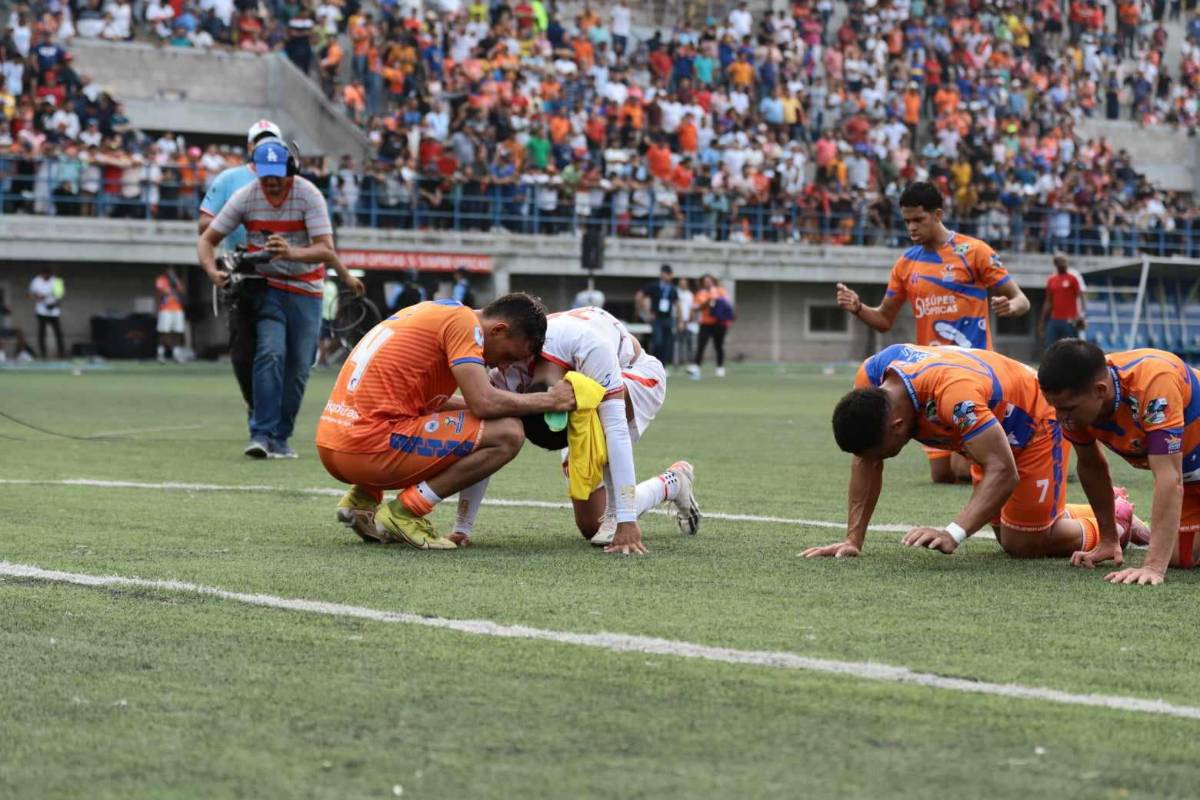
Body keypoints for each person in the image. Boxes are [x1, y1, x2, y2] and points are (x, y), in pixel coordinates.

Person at [803, 344, 1131, 561]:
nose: (876, 460)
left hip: (1033, 422)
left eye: (881, 454)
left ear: (897, 425)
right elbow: (866, 459)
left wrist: (953, 533)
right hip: (986, 434)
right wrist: (853, 540)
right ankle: (1096, 506)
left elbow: (1003, 471)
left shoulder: (954, 396)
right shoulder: (871, 378)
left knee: (1024, 544)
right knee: (1005, 533)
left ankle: (1117, 519)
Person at [316, 294, 576, 550]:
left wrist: (509, 403)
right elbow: (483, 403)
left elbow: (427, 400)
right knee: (508, 432)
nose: (502, 365)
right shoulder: (466, 325)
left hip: (332, 442)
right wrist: (550, 400)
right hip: (365, 450)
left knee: (433, 416)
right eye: (508, 355)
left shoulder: (434, 311)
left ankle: (362, 498)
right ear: (498, 329)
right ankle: (406, 511)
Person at [834, 181, 1031, 485]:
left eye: (918, 219)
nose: (911, 227)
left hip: (970, 374)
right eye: (907, 221)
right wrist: (859, 308)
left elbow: (1022, 299)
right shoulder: (906, 264)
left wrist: (1011, 306)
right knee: (943, 475)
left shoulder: (973, 252)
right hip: (928, 378)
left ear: (938, 214)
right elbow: (884, 319)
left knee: (966, 470)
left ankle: (1025, 461)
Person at [476, 306, 701, 555]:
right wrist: (462, 527)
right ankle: (673, 483)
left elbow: (616, 428)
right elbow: (484, 436)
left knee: (600, 410)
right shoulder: (509, 368)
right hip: (580, 399)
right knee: (592, 525)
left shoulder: (585, 343)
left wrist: (626, 520)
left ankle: (617, 511)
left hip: (634, 371)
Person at [197, 140, 360, 459]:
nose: (272, 182)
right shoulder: (246, 196)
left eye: (278, 176)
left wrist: (291, 252)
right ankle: (261, 433)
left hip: (306, 289)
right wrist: (212, 272)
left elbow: (325, 249)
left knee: (299, 365)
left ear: (291, 171)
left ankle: (281, 437)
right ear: (256, 172)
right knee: (269, 353)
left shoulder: (309, 195)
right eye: (265, 176)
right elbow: (207, 239)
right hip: (268, 287)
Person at [1038, 340, 1200, 585]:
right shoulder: (1077, 406)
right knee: (1180, 557)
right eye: (1055, 407)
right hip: (1191, 478)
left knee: (1165, 556)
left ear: (1100, 390)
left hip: (1183, 474)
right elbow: (1092, 466)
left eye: (1067, 408)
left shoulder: (1154, 383)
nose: (1061, 418)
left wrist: (1153, 567)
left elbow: (1170, 477)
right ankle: (1125, 521)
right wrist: (1108, 539)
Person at [198, 120, 289, 414]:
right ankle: (255, 405)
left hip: (280, 272)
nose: (265, 144)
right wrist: (235, 216)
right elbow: (203, 223)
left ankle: (270, 413)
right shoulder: (229, 179)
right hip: (241, 271)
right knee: (242, 353)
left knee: (275, 351)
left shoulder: (292, 181)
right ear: (250, 146)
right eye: (259, 140)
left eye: (271, 139)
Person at [688, 274, 733, 379]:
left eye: (709, 281)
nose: (707, 283)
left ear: (713, 281)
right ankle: (696, 366)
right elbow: (696, 307)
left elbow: (727, 302)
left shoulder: (720, 291)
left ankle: (720, 367)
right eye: (705, 281)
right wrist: (708, 301)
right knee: (701, 345)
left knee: (719, 345)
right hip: (705, 323)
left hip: (719, 322)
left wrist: (717, 300)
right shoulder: (700, 293)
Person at [636, 264, 678, 366]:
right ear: (662, 274)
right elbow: (639, 296)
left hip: (668, 318)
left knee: (666, 343)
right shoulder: (654, 286)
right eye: (667, 274)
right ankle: (654, 364)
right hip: (657, 318)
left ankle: (663, 365)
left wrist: (679, 320)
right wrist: (646, 313)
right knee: (658, 341)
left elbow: (677, 303)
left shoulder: (672, 288)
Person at [1040, 253, 1085, 347]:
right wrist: (1042, 321)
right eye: (1061, 261)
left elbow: (1080, 297)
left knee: (1071, 348)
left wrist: (1081, 315)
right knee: (1051, 346)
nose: (1064, 264)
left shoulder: (1073, 278)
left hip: (1070, 320)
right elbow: (1048, 302)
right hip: (1054, 320)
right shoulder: (1051, 280)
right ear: (1056, 264)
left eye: (1065, 261)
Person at [28, 266, 64, 359]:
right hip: (41, 311)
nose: (46, 277)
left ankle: (61, 353)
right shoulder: (36, 281)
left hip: (54, 311)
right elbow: (30, 295)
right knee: (42, 332)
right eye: (44, 275)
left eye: (48, 275)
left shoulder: (57, 281)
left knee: (58, 332)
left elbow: (60, 296)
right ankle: (43, 353)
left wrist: (54, 304)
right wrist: (38, 298)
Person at [155, 267, 186, 363]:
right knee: (164, 332)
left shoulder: (177, 281)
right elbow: (163, 293)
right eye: (169, 271)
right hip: (165, 310)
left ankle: (176, 353)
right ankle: (161, 353)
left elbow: (182, 291)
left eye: (172, 271)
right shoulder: (161, 280)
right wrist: (172, 286)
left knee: (178, 331)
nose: (171, 272)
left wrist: (175, 281)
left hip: (177, 310)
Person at [675, 277, 697, 367]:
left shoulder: (690, 294)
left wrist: (689, 320)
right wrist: (679, 321)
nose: (683, 285)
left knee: (689, 342)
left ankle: (690, 361)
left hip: (688, 321)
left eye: (684, 283)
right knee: (679, 342)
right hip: (678, 321)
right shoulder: (676, 293)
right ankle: (680, 361)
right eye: (681, 283)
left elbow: (692, 308)